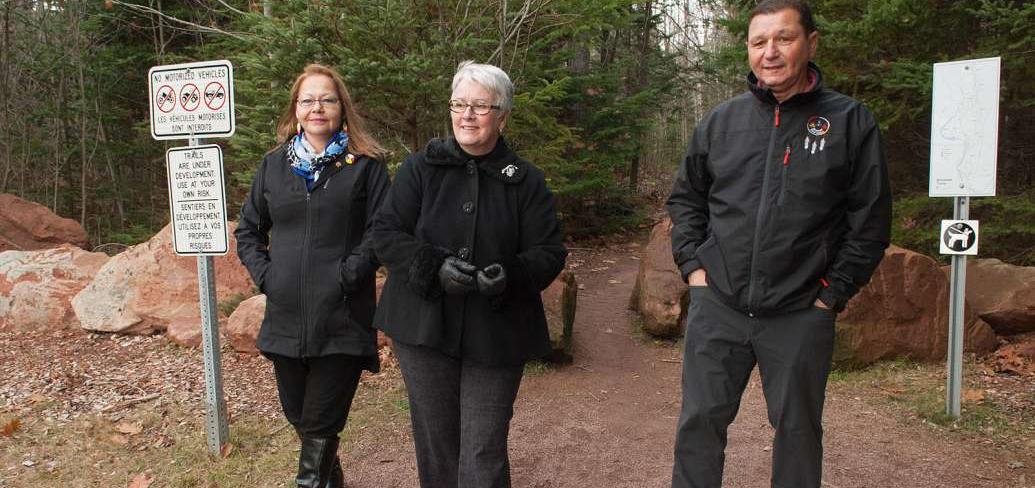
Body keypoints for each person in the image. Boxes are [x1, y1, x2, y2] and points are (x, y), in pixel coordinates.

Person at [666, 1, 891, 487]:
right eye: (758, 42)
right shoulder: (722, 121)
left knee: (798, 433)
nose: (770, 52)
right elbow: (686, 200)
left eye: (783, 38)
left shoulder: (849, 122)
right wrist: (694, 269)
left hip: (801, 311)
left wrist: (831, 293)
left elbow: (870, 220)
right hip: (719, 304)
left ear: (811, 43)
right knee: (699, 424)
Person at [372, 60, 567, 488]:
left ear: (503, 115)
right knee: (438, 447)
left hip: (496, 332)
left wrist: (512, 274)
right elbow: (385, 233)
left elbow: (550, 252)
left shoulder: (526, 182)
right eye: (459, 104)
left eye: (480, 106)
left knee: (483, 450)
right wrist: (432, 265)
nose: (467, 115)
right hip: (423, 327)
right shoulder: (421, 168)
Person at [235, 63, 390, 488]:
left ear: (342, 107)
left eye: (327, 99)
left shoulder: (366, 165)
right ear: (296, 109)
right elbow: (248, 231)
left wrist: (348, 275)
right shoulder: (273, 166)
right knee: (302, 419)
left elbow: (383, 230)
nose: (317, 107)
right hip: (285, 319)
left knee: (321, 424)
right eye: (308, 100)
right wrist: (269, 277)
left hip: (341, 318)